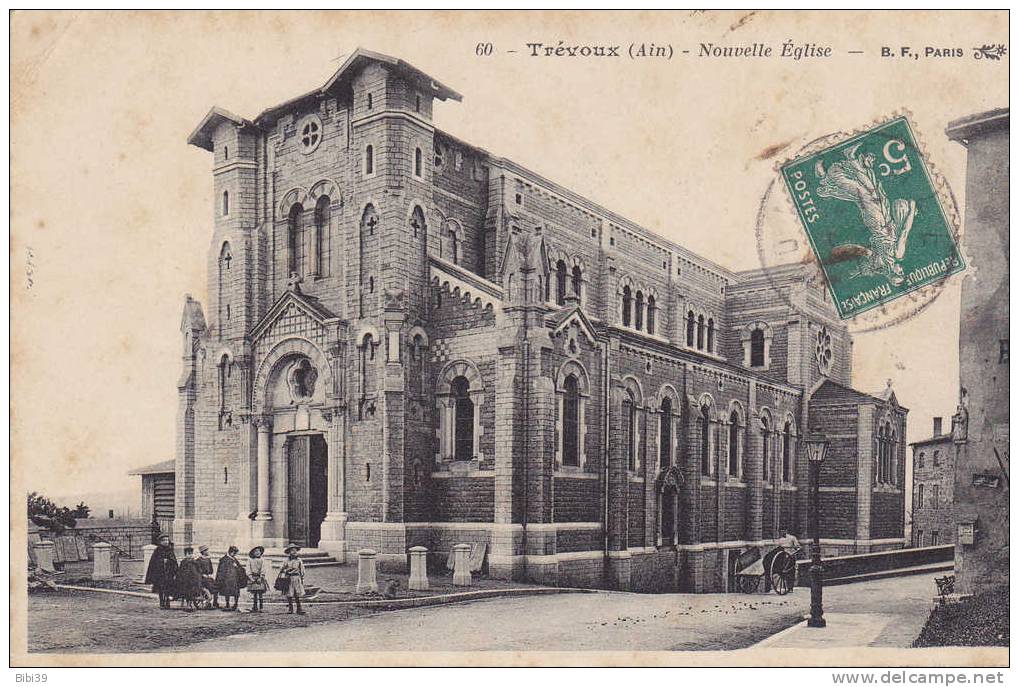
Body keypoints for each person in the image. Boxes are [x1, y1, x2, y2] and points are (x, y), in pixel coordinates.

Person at [144, 534, 178, 609]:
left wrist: (171, 564)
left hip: (169, 573)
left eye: (167, 540)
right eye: (164, 540)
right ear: (160, 542)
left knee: (168, 588)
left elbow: (174, 561)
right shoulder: (158, 550)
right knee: (161, 589)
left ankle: (167, 602)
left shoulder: (170, 550)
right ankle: (162, 602)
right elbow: (154, 562)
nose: (166, 542)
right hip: (160, 574)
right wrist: (162, 561)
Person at [214, 546, 246, 611]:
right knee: (227, 592)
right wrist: (220, 579)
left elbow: (240, 567)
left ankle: (235, 604)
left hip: (235, 579)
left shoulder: (234, 559)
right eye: (234, 553)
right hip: (226, 579)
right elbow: (221, 570)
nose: (235, 554)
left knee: (236, 592)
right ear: (231, 552)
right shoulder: (224, 559)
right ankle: (227, 604)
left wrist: (237, 567)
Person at [279, 543, 307, 615]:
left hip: (296, 578)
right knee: (289, 593)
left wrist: (302, 577)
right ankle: (290, 608)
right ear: (289, 552)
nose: (294, 552)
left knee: (297, 593)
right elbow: (281, 569)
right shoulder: (286, 560)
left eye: (295, 550)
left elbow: (302, 570)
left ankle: (299, 608)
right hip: (289, 578)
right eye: (292, 550)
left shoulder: (299, 560)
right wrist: (286, 571)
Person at [175, 547, 203, 612]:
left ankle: (190, 603)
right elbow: (180, 571)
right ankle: (188, 604)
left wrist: (199, 576)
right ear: (185, 555)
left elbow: (199, 570)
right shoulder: (183, 562)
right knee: (187, 589)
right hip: (185, 580)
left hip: (194, 580)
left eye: (191, 554)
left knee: (194, 589)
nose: (190, 555)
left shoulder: (195, 562)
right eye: (188, 554)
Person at [246, 545, 269, 613]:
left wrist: (261, 577)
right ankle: (255, 606)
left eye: (258, 551)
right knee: (254, 593)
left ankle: (261, 607)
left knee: (260, 593)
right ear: (253, 553)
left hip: (260, 578)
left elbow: (263, 569)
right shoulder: (250, 560)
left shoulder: (262, 560)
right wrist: (250, 577)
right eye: (255, 551)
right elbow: (248, 570)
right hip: (252, 577)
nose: (257, 553)